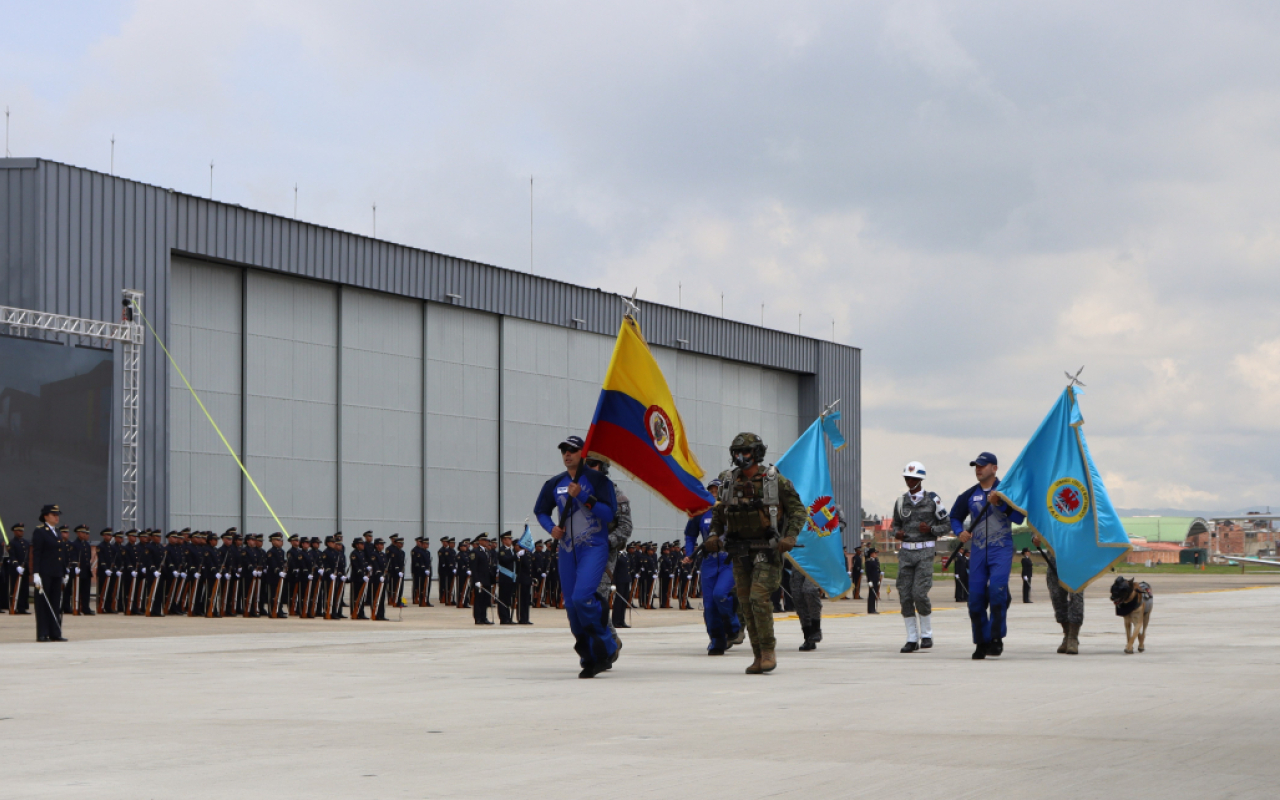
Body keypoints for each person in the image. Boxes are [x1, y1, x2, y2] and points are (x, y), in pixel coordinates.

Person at [708, 432, 805, 675]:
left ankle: (768, 652)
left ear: (757, 453)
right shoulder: (727, 480)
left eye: (747, 452)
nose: (741, 457)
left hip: (767, 549)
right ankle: (757, 655)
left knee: (758, 599)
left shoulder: (775, 481)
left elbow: (798, 511)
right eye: (737, 453)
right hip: (740, 551)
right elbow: (719, 515)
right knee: (745, 604)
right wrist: (712, 535)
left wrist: (790, 536)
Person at [533, 434, 618, 678]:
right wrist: (551, 528)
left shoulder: (599, 481)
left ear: (584, 452)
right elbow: (540, 511)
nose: (567, 454)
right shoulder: (555, 483)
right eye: (564, 450)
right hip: (568, 550)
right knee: (570, 604)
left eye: (572, 450)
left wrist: (582, 496)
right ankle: (588, 654)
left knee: (583, 598)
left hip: (593, 546)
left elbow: (609, 514)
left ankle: (605, 647)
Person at [950, 451, 1026, 660]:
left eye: (982, 465)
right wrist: (960, 532)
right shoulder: (969, 494)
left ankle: (995, 637)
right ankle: (981, 641)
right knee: (974, 599)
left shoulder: (1006, 492)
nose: (978, 469)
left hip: (1001, 549)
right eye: (976, 466)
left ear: (994, 468)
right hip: (977, 551)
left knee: (997, 592)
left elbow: (1020, 517)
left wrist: (1000, 504)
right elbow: (955, 516)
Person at [891, 461, 949, 653]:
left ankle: (927, 634)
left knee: (919, 593)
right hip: (906, 551)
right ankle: (911, 638)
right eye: (907, 478)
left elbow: (946, 524)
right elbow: (895, 525)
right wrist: (896, 533)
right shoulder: (901, 502)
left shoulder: (932, 500)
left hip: (925, 550)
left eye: (913, 478)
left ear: (921, 479)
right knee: (905, 595)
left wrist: (931, 529)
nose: (910, 481)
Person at [684, 478, 743, 655]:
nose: (714, 493)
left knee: (720, 595)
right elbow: (690, 535)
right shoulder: (700, 512)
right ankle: (717, 640)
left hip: (728, 561)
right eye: (711, 490)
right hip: (708, 562)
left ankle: (733, 626)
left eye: (717, 490)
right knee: (709, 605)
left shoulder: (732, 511)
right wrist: (689, 554)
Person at [586, 455, 631, 649]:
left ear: (603, 467)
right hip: (581, 555)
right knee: (581, 603)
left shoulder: (616, 495)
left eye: (592, 464)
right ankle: (610, 639)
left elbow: (625, 528)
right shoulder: (579, 493)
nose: (588, 468)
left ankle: (605, 645)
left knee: (596, 599)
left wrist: (605, 542)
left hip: (604, 556)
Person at [1032, 533, 1084, 654]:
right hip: (1054, 562)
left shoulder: (1081, 513)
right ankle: (1066, 634)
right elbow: (1038, 521)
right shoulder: (1051, 513)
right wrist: (1034, 536)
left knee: (1076, 599)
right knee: (1057, 598)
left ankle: (1073, 637)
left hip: (1076, 562)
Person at [32, 504, 68, 641]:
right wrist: (36, 573)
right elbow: (37, 553)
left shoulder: (57, 531)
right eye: (53, 514)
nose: (56, 517)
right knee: (42, 604)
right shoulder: (40, 531)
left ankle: (55, 632)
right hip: (44, 572)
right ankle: (42, 633)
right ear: (46, 516)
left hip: (56, 572)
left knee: (55, 602)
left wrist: (64, 572)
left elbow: (61, 553)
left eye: (57, 514)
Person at [791, 568, 823, 651]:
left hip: (814, 562)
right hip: (796, 563)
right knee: (798, 597)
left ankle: (816, 629)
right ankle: (808, 637)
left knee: (810, 590)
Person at [497, 531, 517, 624]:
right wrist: (516, 556)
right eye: (509, 539)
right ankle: (503, 618)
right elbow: (505, 560)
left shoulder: (511, 551)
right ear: (504, 540)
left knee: (508, 599)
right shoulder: (502, 550)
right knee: (503, 599)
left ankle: (508, 617)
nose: (511, 540)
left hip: (510, 579)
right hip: (504, 579)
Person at [865, 547, 881, 614]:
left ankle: (873, 608)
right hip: (872, 580)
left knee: (875, 594)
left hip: (876, 579)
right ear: (871, 554)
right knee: (872, 594)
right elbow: (868, 572)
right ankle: (870, 609)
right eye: (875, 553)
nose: (876, 554)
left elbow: (877, 570)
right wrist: (869, 581)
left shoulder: (876, 561)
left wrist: (879, 578)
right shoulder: (868, 561)